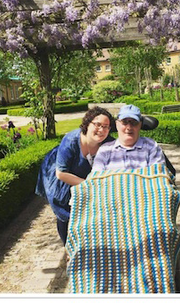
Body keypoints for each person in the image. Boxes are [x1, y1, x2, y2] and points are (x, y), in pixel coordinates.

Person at [35, 107, 115, 246]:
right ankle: (67, 246)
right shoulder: (71, 140)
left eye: (106, 127)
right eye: (97, 125)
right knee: (65, 211)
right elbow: (61, 173)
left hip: (84, 176)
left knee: (88, 211)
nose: (101, 130)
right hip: (62, 174)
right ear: (87, 124)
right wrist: (89, 185)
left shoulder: (108, 142)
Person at [92, 104, 165, 171]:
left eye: (134, 123)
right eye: (124, 122)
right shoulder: (105, 149)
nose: (129, 127)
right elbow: (96, 178)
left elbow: (158, 176)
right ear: (117, 124)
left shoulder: (151, 146)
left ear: (140, 125)